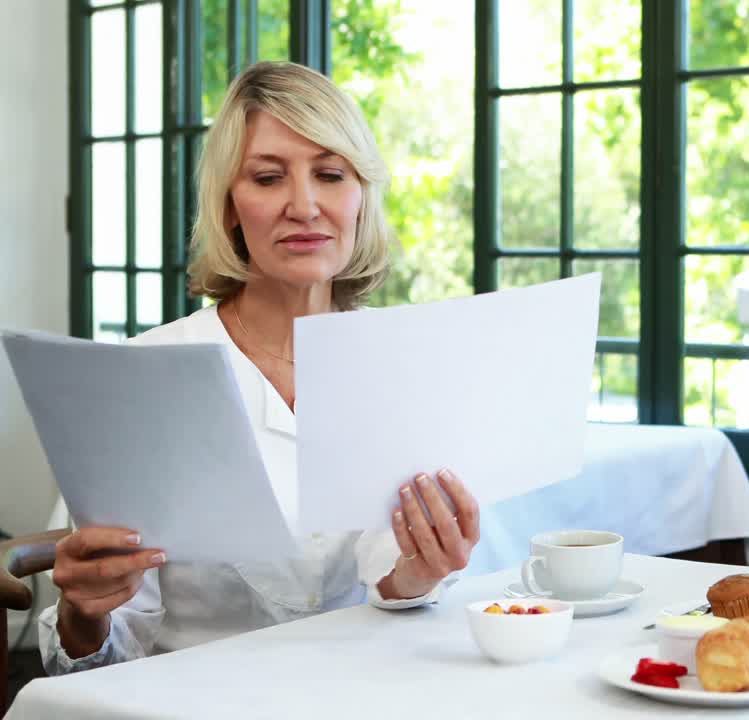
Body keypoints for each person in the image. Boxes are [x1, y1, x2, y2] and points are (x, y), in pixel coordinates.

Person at [39, 61, 481, 674]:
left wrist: (418, 572)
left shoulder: (399, 363)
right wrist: (83, 614)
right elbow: (92, 658)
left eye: (330, 174)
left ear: (361, 197)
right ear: (229, 206)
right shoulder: (143, 376)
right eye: (269, 178)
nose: (304, 206)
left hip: (360, 693)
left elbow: (392, 580)